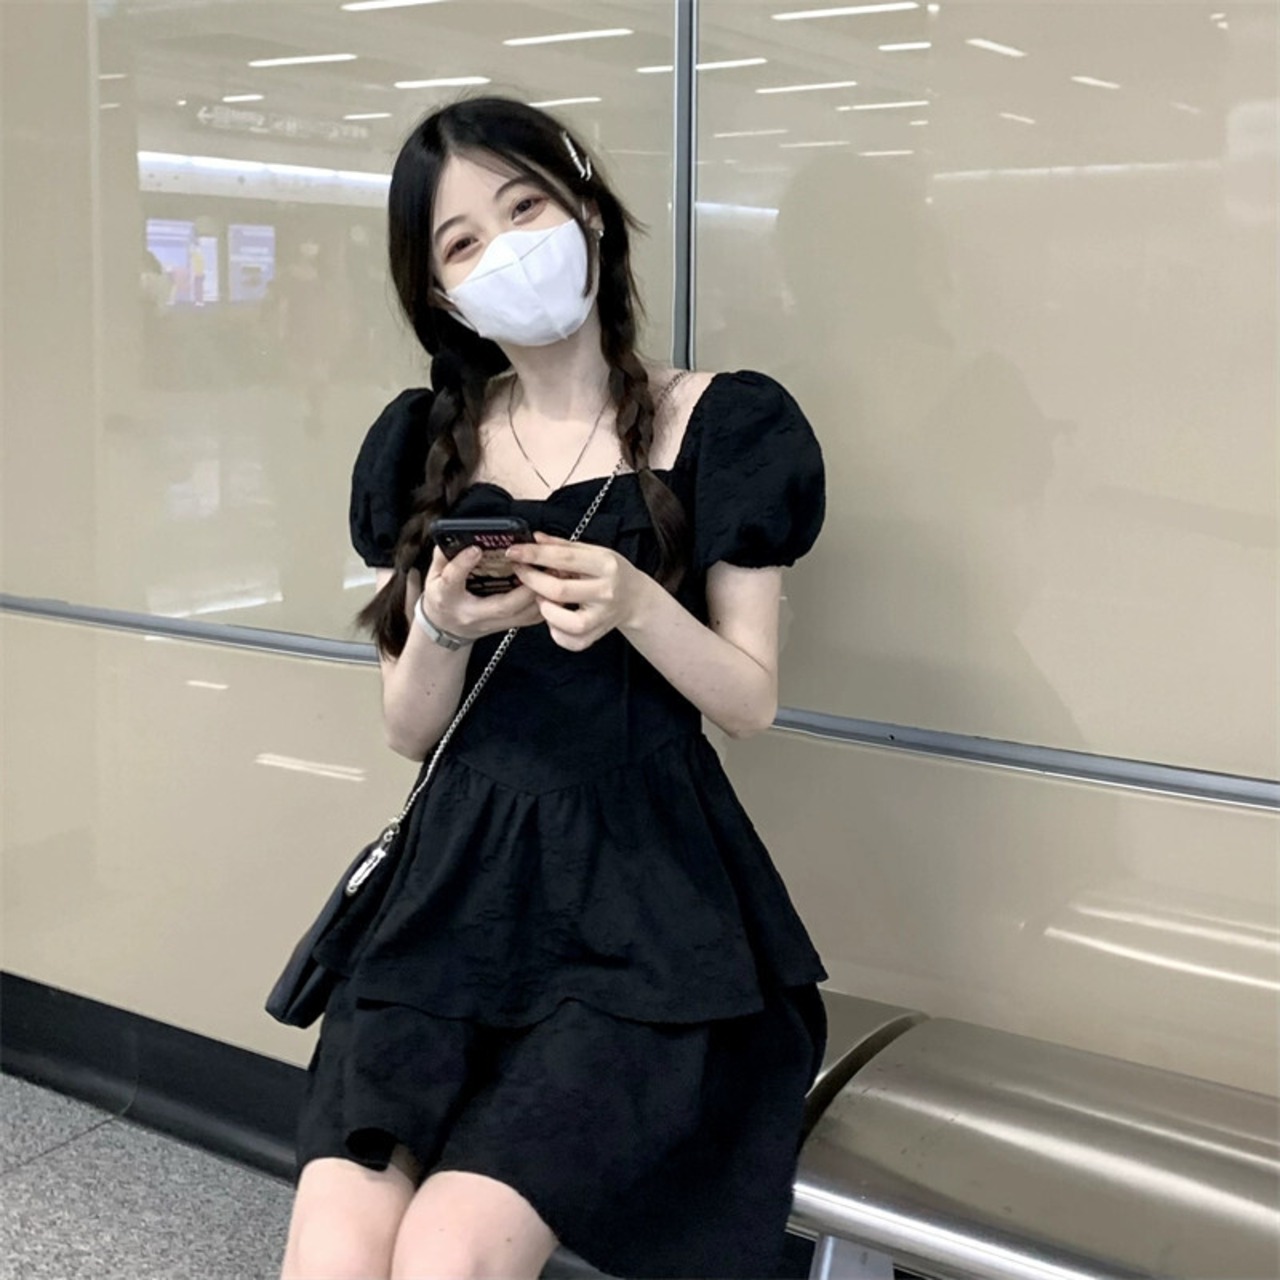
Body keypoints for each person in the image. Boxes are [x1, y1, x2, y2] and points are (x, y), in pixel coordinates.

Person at [282, 96, 829, 1280]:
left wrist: (635, 602)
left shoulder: (722, 422)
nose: (505, 249)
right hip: (448, 891)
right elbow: (408, 729)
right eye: (461, 241)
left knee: (450, 1250)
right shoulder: (419, 443)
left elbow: (748, 701)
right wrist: (441, 621)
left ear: (586, 205)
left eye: (523, 206)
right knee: (335, 1246)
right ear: (440, 295)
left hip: (642, 900)